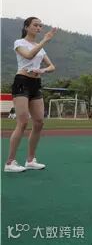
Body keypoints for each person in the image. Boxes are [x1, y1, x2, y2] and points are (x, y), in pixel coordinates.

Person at [5, 17, 57, 173]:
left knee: (39, 122)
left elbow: (52, 66)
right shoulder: (19, 43)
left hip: (36, 83)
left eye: (40, 26)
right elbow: (28, 55)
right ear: (26, 27)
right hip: (22, 81)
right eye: (35, 25)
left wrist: (42, 70)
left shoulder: (40, 47)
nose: (38, 28)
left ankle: (30, 160)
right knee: (22, 122)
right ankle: (10, 162)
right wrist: (45, 40)